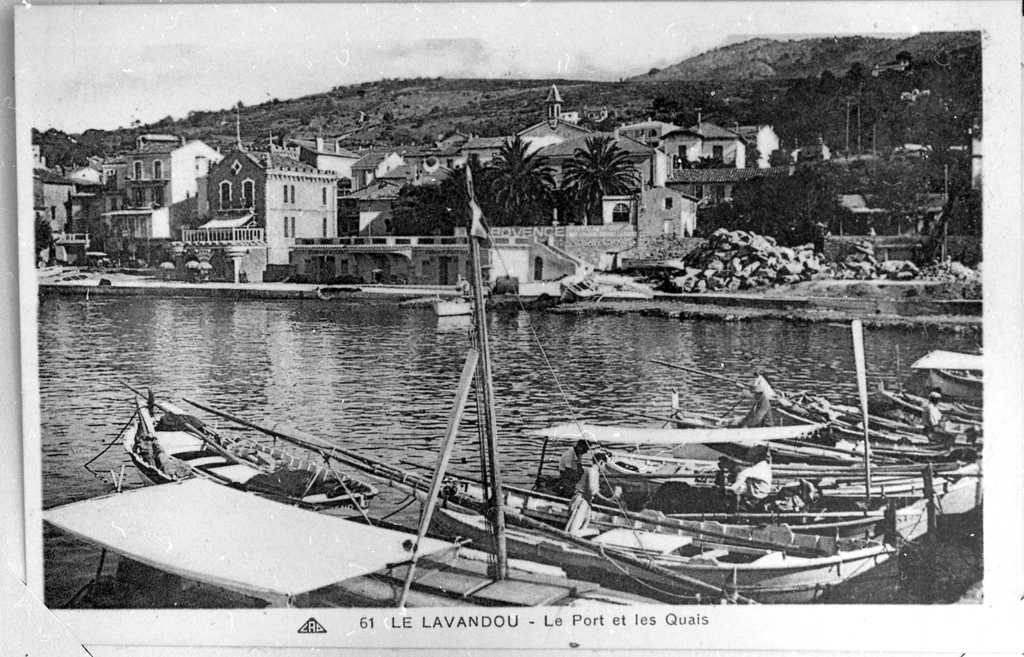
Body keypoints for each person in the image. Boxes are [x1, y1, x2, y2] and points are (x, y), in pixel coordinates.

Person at [564, 452, 620, 537]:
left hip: (586, 504)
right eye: (605, 466)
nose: (605, 468)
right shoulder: (592, 471)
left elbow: (593, 491)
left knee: (578, 531)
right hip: (581, 502)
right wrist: (607, 500)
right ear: (601, 462)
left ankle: (597, 532)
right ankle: (598, 532)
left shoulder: (594, 472)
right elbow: (592, 491)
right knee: (573, 532)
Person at [728, 445, 772, 510]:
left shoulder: (760, 467)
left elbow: (743, 474)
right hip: (760, 491)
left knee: (740, 486)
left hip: (757, 493)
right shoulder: (763, 465)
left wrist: (734, 486)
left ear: (758, 456)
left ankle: (736, 507)